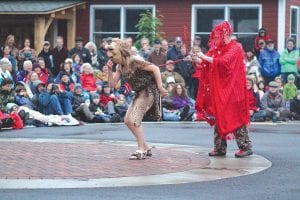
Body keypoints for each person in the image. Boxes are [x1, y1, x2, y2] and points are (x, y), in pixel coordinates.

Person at [196, 21, 253, 158]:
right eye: (215, 36)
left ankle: (245, 146)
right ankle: (220, 148)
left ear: (226, 35)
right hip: (220, 90)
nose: (216, 39)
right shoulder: (216, 49)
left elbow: (224, 62)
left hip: (234, 90)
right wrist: (197, 60)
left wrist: (204, 57)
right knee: (219, 116)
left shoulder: (235, 47)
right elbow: (208, 63)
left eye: (218, 36)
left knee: (237, 118)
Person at [106, 38, 167, 160]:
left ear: (121, 51)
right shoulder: (119, 67)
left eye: (113, 53)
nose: (110, 56)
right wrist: (109, 70)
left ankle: (141, 150)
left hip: (149, 91)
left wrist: (160, 86)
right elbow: (112, 85)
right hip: (139, 92)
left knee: (134, 119)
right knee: (127, 120)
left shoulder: (135, 60)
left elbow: (155, 68)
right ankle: (146, 147)